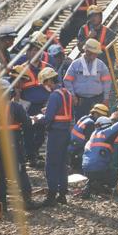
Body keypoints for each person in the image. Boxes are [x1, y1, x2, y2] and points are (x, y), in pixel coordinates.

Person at [34, 67, 73, 206]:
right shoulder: (66, 93)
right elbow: (62, 112)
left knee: (51, 164)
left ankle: (51, 196)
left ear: (50, 80)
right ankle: (62, 194)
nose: (46, 86)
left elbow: (49, 118)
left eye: (46, 82)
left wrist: (38, 119)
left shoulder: (54, 95)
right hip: (66, 132)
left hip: (56, 133)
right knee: (62, 164)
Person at [0, 79, 37, 211]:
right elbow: (27, 123)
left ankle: (2, 205)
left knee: (0, 174)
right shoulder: (15, 107)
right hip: (13, 141)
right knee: (20, 171)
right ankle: (27, 201)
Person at [17, 34, 53, 167]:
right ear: (27, 52)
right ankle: (31, 156)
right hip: (29, 106)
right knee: (28, 132)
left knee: (41, 132)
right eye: (31, 50)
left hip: (44, 105)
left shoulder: (47, 67)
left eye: (37, 50)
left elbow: (55, 83)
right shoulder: (22, 69)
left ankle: (35, 153)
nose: (34, 53)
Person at [63, 38, 112, 120]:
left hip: (97, 100)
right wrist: (73, 96)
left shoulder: (101, 65)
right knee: (81, 122)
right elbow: (67, 80)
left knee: (97, 122)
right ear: (87, 52)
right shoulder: (75, 64)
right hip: (81, 101)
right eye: (94, 53)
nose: (96, 55)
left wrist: (106, 98)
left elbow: (107, 82)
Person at [81, 114, 118, 198]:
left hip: (86, 170)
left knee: (100, 173)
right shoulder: (104, 133)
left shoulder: (93, 135)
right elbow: (116, 127)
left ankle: (93, 184)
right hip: (99, 168)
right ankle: (105, 188)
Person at [67, 103, 109, 172]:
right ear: (96, 114)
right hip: (77, 151)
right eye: (102, 116)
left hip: (72, 147)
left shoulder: (85, 117)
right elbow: (91, 142)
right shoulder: (91, 124)